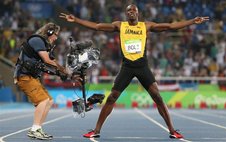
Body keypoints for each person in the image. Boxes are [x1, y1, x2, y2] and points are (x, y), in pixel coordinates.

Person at [60, 4, 209, 139]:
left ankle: (172, 130)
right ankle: (96, 130)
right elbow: (98, 26)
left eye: (134, 10)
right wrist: (77, 20)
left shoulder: (146, 26)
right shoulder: (120, 25)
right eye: (129, 10)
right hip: (127, 67)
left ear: (138, 13)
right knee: (112, 98)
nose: (131, 12)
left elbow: (170, 27)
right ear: (126, 14)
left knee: (157, 97)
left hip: (142, 66)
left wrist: (191, 21)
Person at [14, 22, 70, 140]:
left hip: (30, 77)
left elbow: (49, 63)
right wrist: (62, 70)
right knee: (43, 100)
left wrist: (61, 73)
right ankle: (34, 130)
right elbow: (47, 60)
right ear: (49, 32)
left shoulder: (44, 45)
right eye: (55, 34)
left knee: (49, 101)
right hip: (24, 76)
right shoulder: (37, 40)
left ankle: (38, 128)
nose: (56, 37)